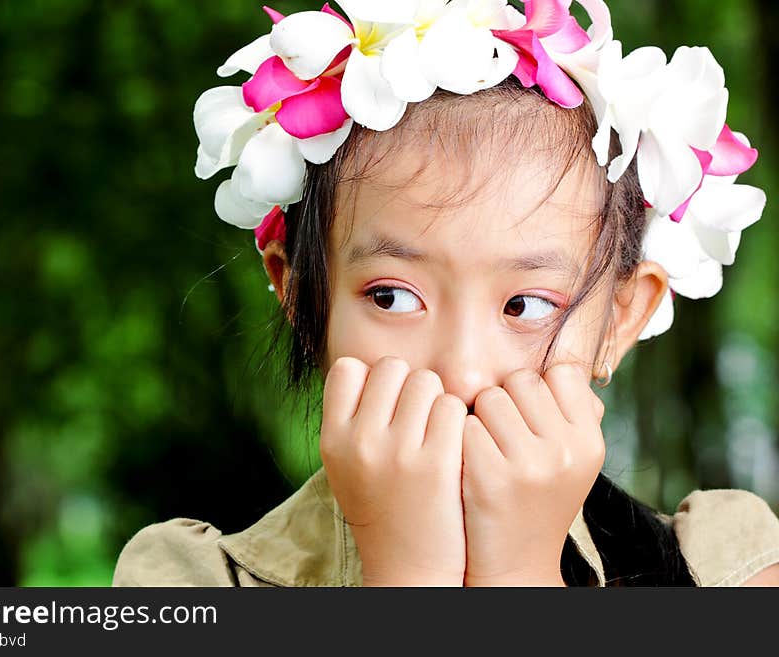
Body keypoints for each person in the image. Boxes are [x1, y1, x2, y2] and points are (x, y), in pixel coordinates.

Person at [112, 0, 779, 587]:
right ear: (304, 297)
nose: (460, 371)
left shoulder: (721, 569)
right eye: (392, 297)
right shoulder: (190, 581)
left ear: (621, 318)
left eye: (526, 306)